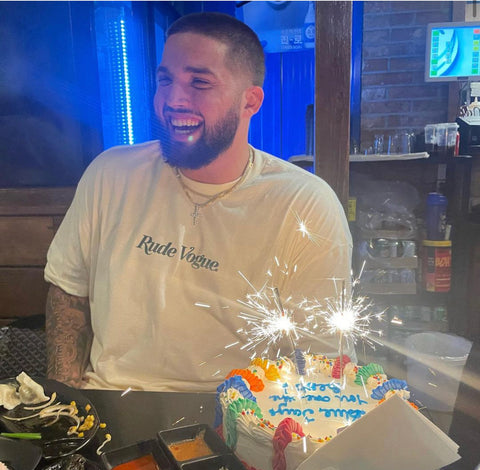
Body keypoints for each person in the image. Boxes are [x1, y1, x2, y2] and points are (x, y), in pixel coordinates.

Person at [44, 12, 352, 392]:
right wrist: (62, 403)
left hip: (239, 415)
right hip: (109, 403)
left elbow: (320, 356)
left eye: (199, 83)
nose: (173, 100)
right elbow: (68, 290)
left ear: (249, 102)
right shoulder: (110, 174)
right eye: (165, 80)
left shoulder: (304, 204)